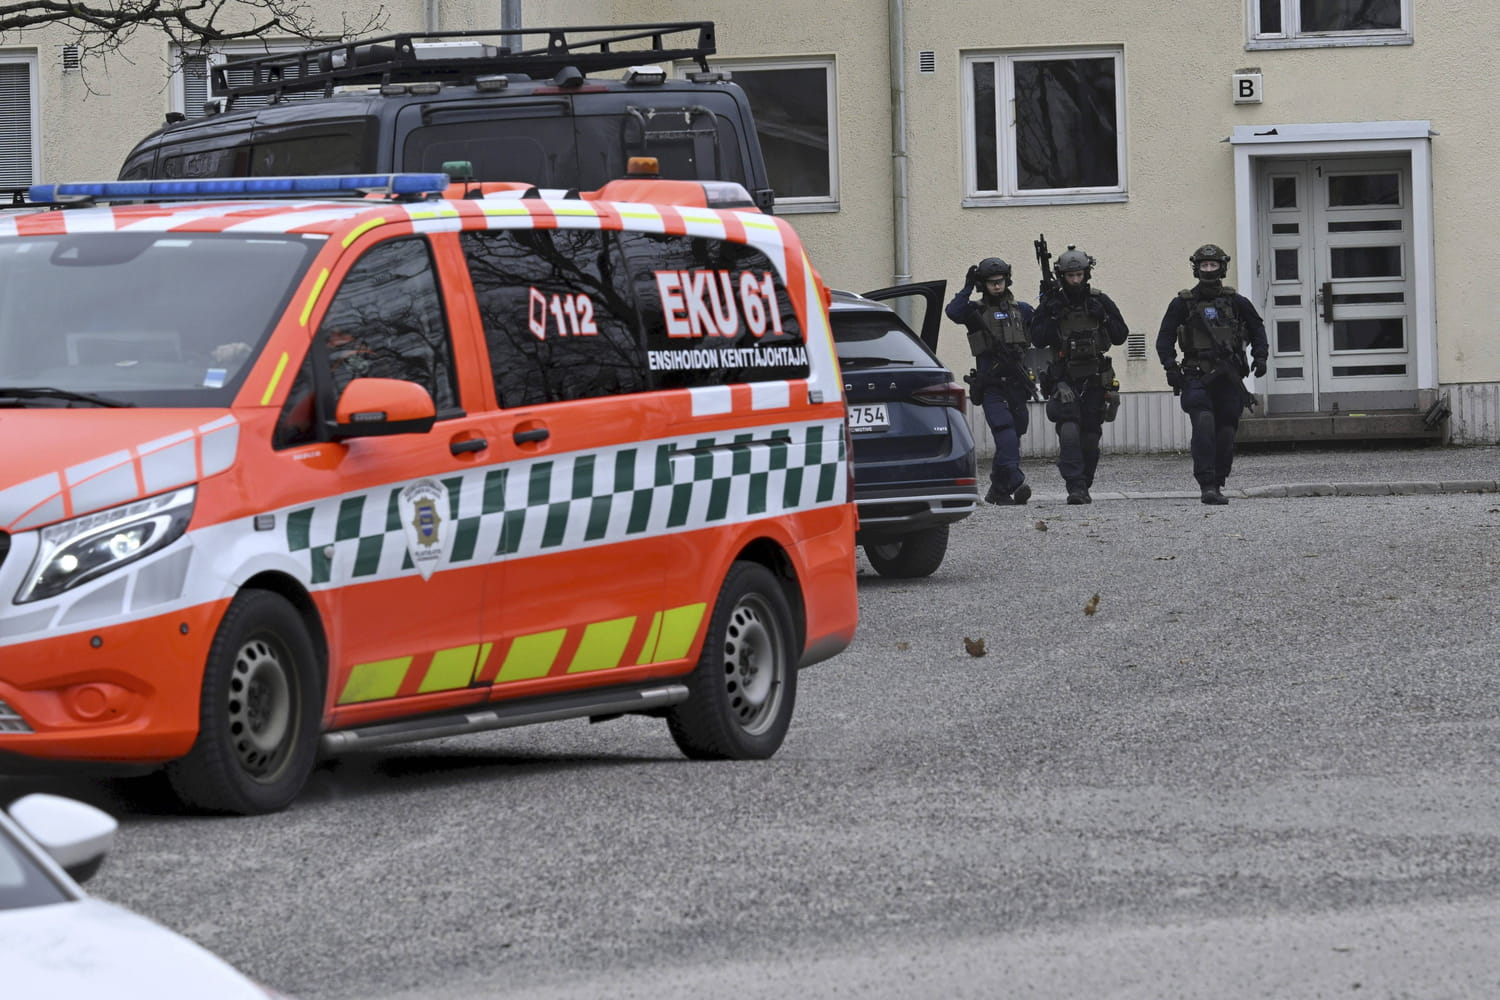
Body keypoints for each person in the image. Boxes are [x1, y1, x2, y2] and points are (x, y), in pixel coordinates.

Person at [1156, 243, 1269, 505]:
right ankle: (1206, 484)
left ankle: (1218, 482)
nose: (1209, 270)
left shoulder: (1236, 302)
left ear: (1222, 268)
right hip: (1197, 375)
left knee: (1227, 431)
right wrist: (1171, 367)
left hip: (1229, 378)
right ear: (1197, 269)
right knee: (1204, 423)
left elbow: (1257, 329)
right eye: (1205, 265)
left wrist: (1260, 356)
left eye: (1213, 265)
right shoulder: (1182, 303)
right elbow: (1164, 338)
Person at [1028, 246, 1129, 504]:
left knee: (1091, 437)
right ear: (1062, 276)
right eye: (1071, 275)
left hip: (1095, 378)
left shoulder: (1099, 300)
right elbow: (1037, 339)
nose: (1075, 280)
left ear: (1087, 274)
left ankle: (1084, 482)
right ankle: (1075, 486)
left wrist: (1103, 317)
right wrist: (1051, 315)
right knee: (1070, 431)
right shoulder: (1052, 303)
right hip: (1065, 379)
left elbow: (1120, 335)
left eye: (1079, 275)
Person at [945, 256, 1036, 505]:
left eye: (1000, 281)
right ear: (982, 284)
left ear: (1007, 280)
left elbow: (1041, 331)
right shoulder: (975, 311)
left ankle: (998, 490)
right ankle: (1016, 480)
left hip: (1016, 384)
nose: (996, 286)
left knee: (1015, 434)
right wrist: (966, 287)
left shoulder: (1022, 310)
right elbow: (953, 311)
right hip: (991, 384)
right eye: (991, 282)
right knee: (1004, 430)